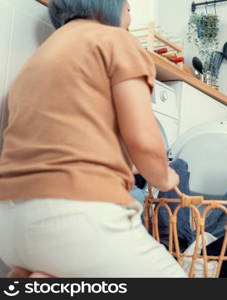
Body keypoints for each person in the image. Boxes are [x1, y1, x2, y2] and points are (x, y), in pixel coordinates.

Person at [0, 0, 186, 277]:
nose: (131, 15)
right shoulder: (115, 40)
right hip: (78, 217)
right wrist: (165, 177)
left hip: (10, 224)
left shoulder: (35, 62)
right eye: (129, 7)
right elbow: (145, 143)